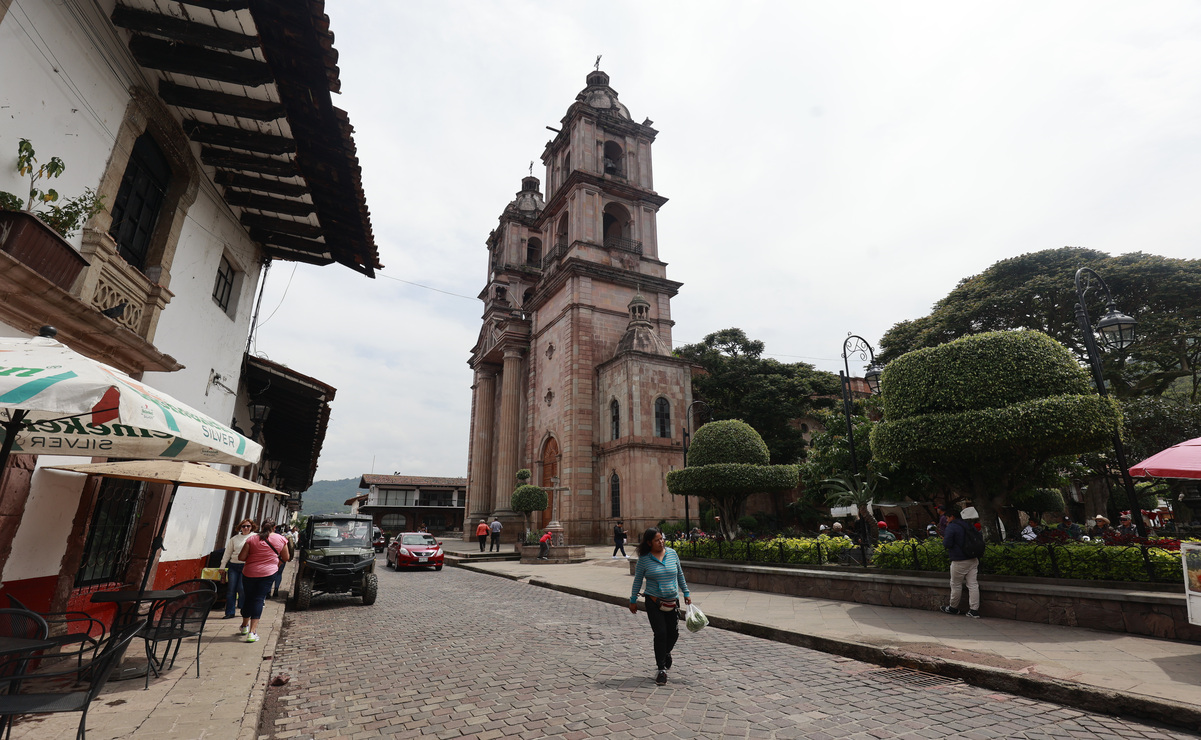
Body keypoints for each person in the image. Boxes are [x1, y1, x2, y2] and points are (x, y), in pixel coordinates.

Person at [628, 528, 691, 686]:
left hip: (672, 600)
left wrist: (686, 593)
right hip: (653, 601)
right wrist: (633, 599)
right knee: (661, 633)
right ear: (649, 543)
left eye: (662, 539)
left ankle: (666, 652)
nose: (661, 542)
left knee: (673, 633)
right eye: (657, 540)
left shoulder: (672, 554)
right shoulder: (644, 559)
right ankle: (661, 669)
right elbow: (638, 580)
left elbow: (680, 574)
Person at [237, 518, 291, 643]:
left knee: (248, 598)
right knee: (259, 599)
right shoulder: (281, 539)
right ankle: (252, 632)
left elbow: (241, 557)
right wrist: (276, 563)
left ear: (261, 527)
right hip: (268, 573)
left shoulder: (252, 539)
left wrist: (254, 557)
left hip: (249, 572)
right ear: (274, 527)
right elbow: (286, 557)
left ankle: (244, 626)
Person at [940, 506, 980, 618]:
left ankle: (953, 607)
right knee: (973, 585)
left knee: (956, 584)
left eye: (947, 518)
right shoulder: (969, 525)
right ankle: (974, 610)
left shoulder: (952, 527)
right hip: (973, 558)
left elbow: (947, 544)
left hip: (959, 559)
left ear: (952, 517)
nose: (946, 520)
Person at [219, 518, 256, 619]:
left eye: (248, 526)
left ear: (252, 527)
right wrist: (222, 566)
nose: (245, 528)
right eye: (243, 526)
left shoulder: (254, 537)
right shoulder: (234, 539)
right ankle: (230, 612)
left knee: (242, 588)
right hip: (233, 566)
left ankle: (244, 609)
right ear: (240, 527)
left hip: (246, 566)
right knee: (231, 590)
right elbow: (227, 553)